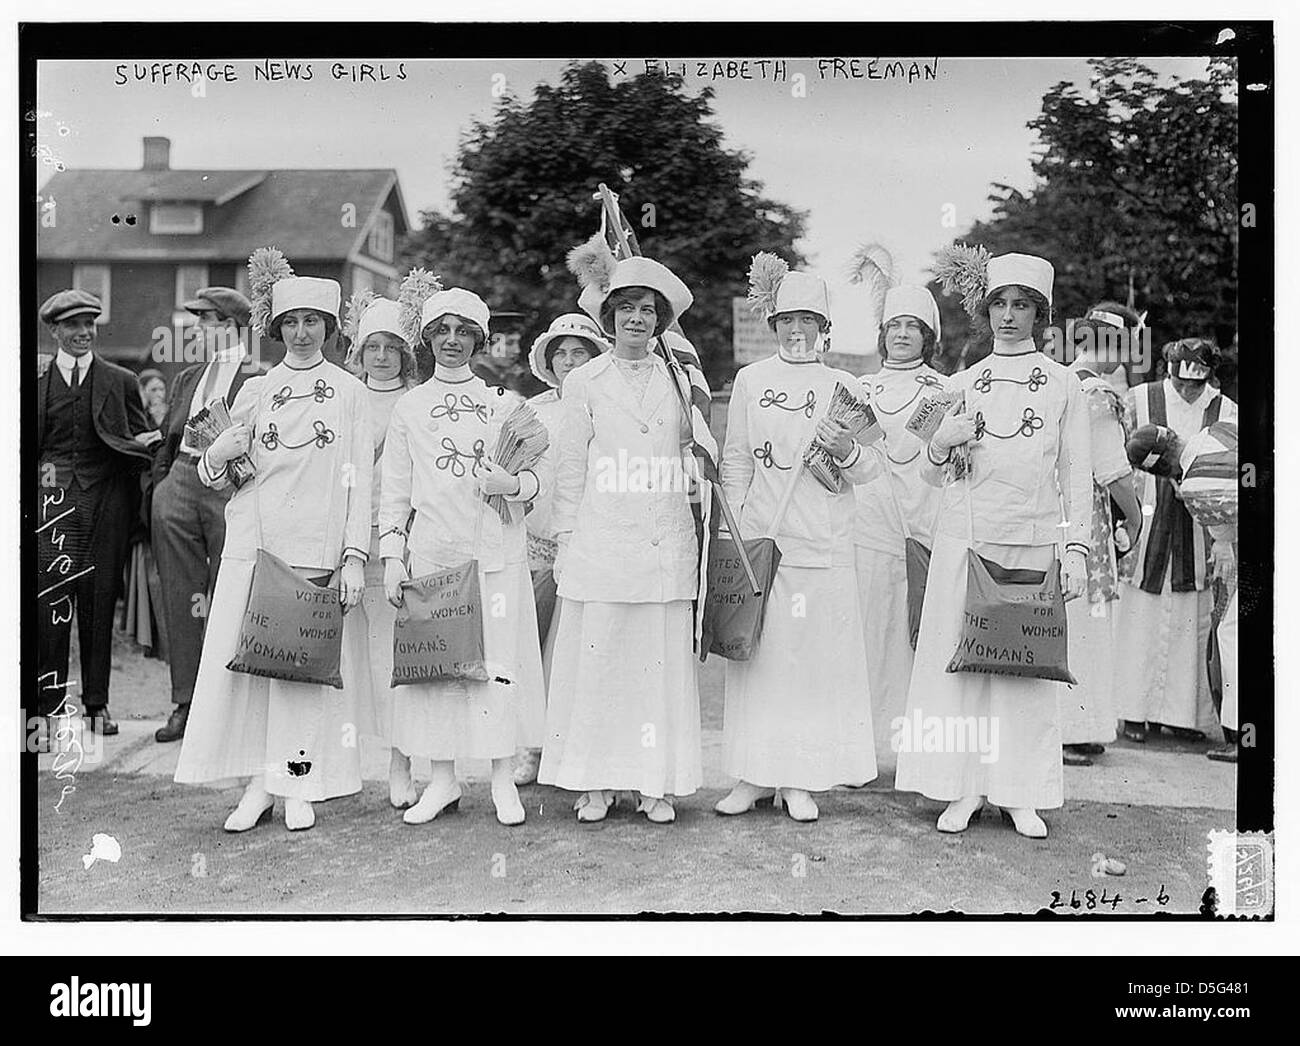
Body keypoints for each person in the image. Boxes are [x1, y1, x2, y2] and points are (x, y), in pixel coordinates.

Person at [896, 251, 1092, 839]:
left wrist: (1076, 549)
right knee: (960, 671)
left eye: (1022, 306)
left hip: (1030, 545)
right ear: (987, 312)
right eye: (1000, 304)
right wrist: (939, 444)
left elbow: (1075, 472)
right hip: (965, 541)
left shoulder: (1064, 386)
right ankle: (962, 789)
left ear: (1040, 314)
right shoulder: (957, 384)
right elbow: (926, 473)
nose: (1009, 316)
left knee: (1021, 674)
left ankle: (1019, 792)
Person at [174, 264, 373, 833]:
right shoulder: (255, 390)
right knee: (252, 672)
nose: (303, 333)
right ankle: (260, 787)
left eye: (313, 321)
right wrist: (220, 451)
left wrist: (355, 556)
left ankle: (297, 784)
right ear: (277, 327)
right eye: (292, 322)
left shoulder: (350, 392)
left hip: (316, 548)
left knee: (299, 675)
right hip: (254, 547)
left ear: (329, 327)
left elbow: (358, 478)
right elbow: (216, 474)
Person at [539, 247, 704, 824]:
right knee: (601, 664)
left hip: (662, 539)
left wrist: (693, 465)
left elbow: (695, 450)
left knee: (653, 667)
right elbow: (568, 470)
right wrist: (564, 539)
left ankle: (653, 784)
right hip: (601, 540)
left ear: (660, 321)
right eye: (626, 309)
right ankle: (595, 783)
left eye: (647, 311)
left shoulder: (680, 379)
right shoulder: (584, 380)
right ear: (608, 319)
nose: (636, 319)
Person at [716, 259, 879, 822]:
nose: (797, 331)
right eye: (787, 319)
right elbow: (735, 459)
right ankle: (754, 776)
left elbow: (872, 469)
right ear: (773, 322)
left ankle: (802, 780)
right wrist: (733, 530)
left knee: (809, 667)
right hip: (764, 543)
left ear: (824, 328)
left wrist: (846, 452)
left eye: (809, 320)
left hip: (823, 547)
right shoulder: (750, 380)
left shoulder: (845, 386)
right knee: (760, 663)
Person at [379, 285, 547, 827]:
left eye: (464, 332)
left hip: (495, 553)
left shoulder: (505, 402)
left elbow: (536, 480)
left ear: (479, 339)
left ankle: (501, 778)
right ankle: (443, 779)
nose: (452, 341)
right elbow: (395, 491)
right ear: (427, 339)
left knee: (496, 665)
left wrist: (514, 482)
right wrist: (391, 556)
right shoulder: (409, 406)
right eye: (442, 331)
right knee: (439, 670)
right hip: (432, 554)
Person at [35, 289, 158, 746]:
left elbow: (140, 439)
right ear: (54, 331)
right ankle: (46, 711)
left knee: (99, 602)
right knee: (50, 609)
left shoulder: (120, 380)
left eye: (89, 325)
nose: (84, 333)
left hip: (104, 506)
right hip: (52, 510)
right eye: (73, 326)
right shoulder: (37, 379)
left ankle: (96, 704)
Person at [150, 287, 261, 743]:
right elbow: (165, 437)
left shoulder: (258, 378)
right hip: (180, 480)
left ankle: (231, 707)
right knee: (181, 595)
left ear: (232, 327)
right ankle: (186, 703)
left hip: (228, 491)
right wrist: (161, 488)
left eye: (206, 321)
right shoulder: (187, 377)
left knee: (234, 591)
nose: (196, 330)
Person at [1115, 338, 1237, 743]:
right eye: (1179, 382)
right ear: (1167, 370)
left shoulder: (1225, 410)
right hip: (1148, 521)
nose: (1186, 391)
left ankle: (1182, 716)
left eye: (1196, 384)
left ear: (1209, 375)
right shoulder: (1138, 400)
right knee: (1140, 618)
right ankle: (1133, 710)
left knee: (1191, 618)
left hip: (1202, 530)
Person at [510, 311, 610, 786]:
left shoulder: (606, 402)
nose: (570, 361)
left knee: (582, 654)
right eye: (561, 354)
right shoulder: (533, 411)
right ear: (548, 364)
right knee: (534, 647)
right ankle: (530, 746)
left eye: (580, 353)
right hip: (539, 546)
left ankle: (580, 749)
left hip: (595, 543)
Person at [853, 284, 950, 755]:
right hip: (866, 528)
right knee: (869, 635)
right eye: (895, 326)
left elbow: (928, 458)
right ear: (883, 333)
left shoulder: (943, 390)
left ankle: (914, 751)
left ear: (928, 335)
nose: (903, 334)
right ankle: (865, 745)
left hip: (921, 527)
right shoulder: (859, 388)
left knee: (914, 638)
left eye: (914, 326)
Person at [340, 292, 424, 807]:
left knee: (394, 657)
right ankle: (339, 763)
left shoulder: (416, 401)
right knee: (347, 656)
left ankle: (401, 764)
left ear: (407, 355)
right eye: (373, 346)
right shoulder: (343, 397)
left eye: (392, 347)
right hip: (345, 543)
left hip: (400, 543)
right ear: (358, 350)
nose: (382, 356)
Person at [1057, 314, 1143, 765]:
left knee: (1070, 622)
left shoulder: (1061, 381)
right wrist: (1135, 517)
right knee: (1088, 625)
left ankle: (1080, 726)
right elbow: (1113, 470)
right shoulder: (1096, 393)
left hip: (1056, 517)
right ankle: (1074, 729)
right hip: (1086, 519)